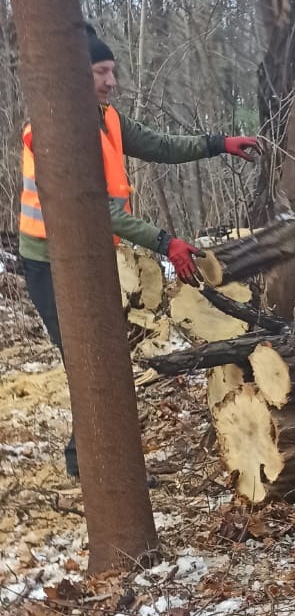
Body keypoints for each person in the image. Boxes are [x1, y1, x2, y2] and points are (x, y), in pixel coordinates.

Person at [18, 24, 260, 476]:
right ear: (74, 74)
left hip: (89, 256)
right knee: (86, 362)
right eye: (100, 72)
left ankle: (91, 459)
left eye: (112, 71)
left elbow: (160, 145)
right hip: (49, 263)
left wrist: (219, 144)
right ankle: (92, 464)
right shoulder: (54, 132)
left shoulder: (105, 116)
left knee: (102, 359)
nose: (111, 81)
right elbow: (99, 209)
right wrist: (166, 243)